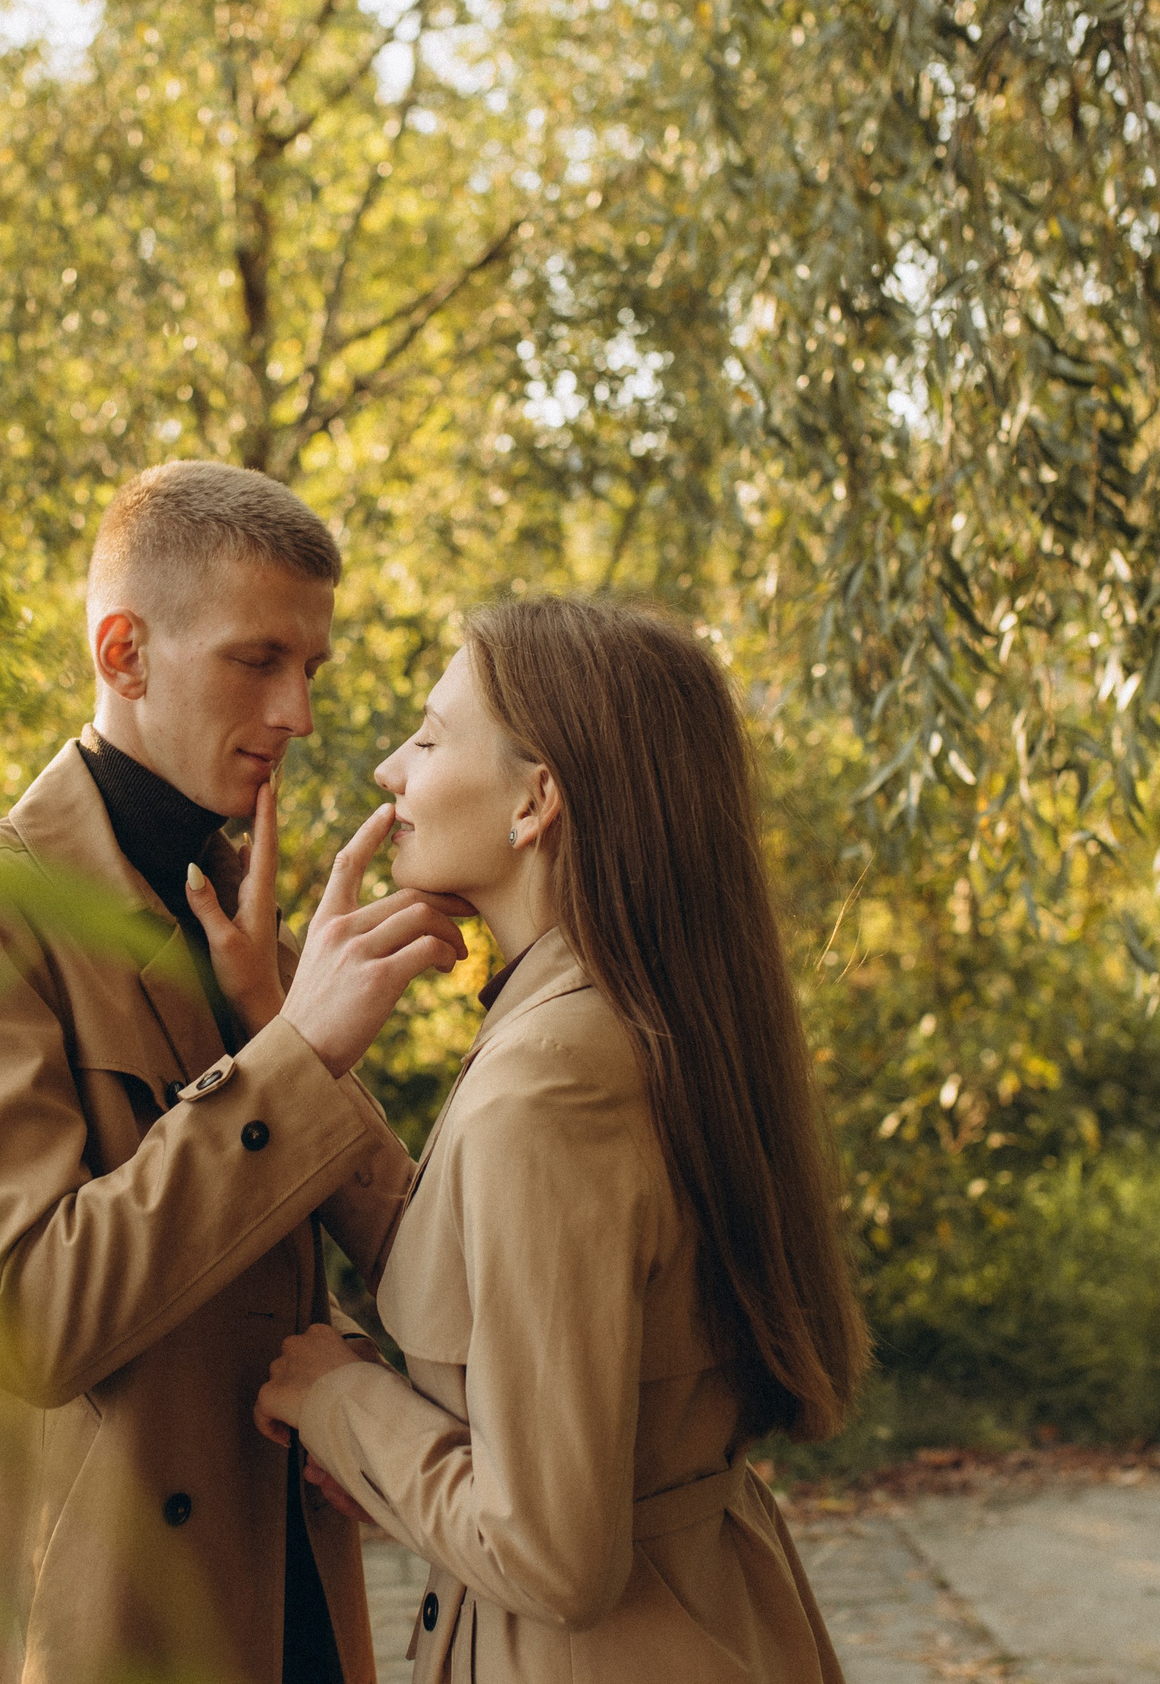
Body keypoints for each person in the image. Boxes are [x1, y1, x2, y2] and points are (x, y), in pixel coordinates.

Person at [0, 460, 468, 1684]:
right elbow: (32, 1323)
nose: (297, 712)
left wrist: (351, 1405)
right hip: (84, 1625)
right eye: (258, 661)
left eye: (312, 669)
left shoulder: (235, 917)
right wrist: (297, 1054)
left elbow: (251, 1270)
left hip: (280, 1594)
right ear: (124, 652)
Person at [250, 597, 868, 1682]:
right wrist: (290, 1043)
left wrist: (338, 1399)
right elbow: (489, 1281)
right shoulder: (621, 1019)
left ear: (536, 800)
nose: (391, 770)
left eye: (431, 738)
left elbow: (547, 1553)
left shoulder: (548, 1084)